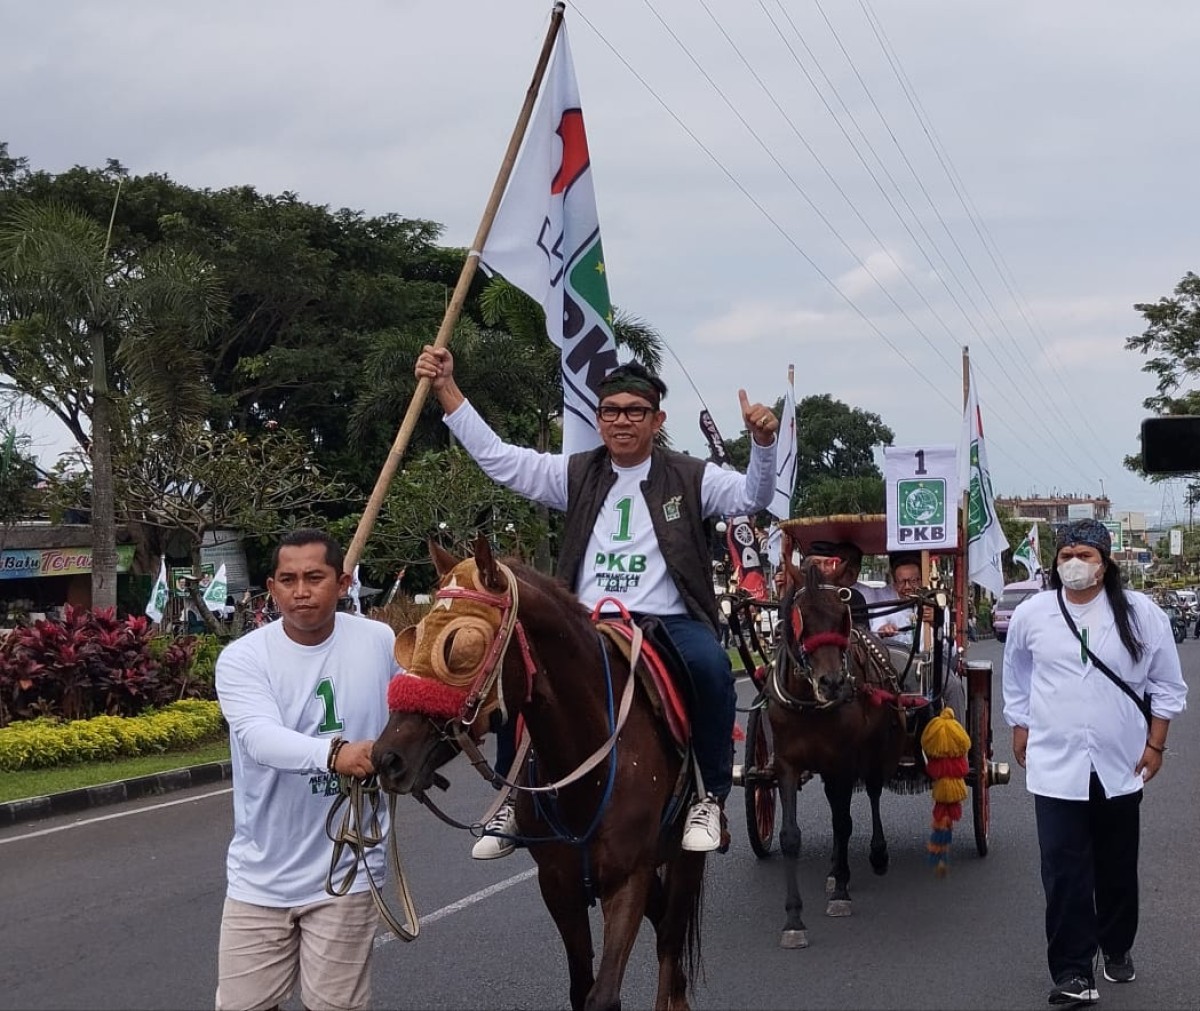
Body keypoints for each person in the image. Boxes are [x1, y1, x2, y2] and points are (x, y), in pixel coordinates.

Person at [414, 345, 779, 855]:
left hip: (665, 622)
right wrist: (447, 389)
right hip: (584, 622)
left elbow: (753, 497)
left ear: (657, 420)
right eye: (611, 411)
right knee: (517, 667)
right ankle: (511, 796)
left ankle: (709, 797)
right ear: (599, 419)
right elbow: (500, 459)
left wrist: (764, 444)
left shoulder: (693, 476)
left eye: (635, 411)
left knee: (713, 670)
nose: (622, 421)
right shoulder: (576, 472)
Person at [1002, 518, 1187, 1006]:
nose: (1074, 564)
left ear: (1105, 563)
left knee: (1116, 867)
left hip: (1120, 763)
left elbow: (1167, 685)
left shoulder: (1142, 615)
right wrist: (1020, 725)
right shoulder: (1034, 614)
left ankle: (1117, 943)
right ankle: (1072, 971)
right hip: (1055, 764)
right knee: (1063, 871)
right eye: (1066, 556)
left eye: (1085, 555)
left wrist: (1156, 745)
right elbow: (1017, 675)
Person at [214, 529, 398, 1011]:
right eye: (288, 579)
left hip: (348, 870)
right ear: (271, 588)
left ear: (343, 582)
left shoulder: (379, 641)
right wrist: (335, 755)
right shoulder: (242, 658)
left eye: (315, 578)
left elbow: (412, 711)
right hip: (260, 878)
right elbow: (259, 738)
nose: (301, 591)